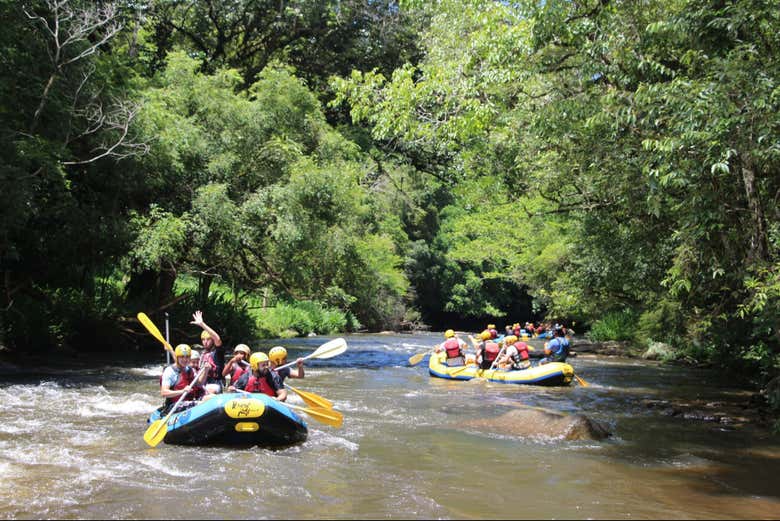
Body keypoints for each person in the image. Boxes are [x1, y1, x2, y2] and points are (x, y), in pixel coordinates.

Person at [159, 344, 207, 414]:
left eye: (187, 357)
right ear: (177, 357)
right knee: (202, 404)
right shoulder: (170, 371)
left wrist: (206, 370)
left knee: (212, 397)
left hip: (189, 401)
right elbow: (164, 392)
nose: (185, 359)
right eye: (182, 357)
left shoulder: (189, 369)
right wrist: (182, 391)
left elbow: (199, 384)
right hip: (174, 405)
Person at [191, 310, 224, 394]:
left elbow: (217, 339)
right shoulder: (202, 355)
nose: (205, 342)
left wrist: (202, 324)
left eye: (208, 339)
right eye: (203, 339)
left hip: (215, 384)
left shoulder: (217, 352)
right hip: (202, 383)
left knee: (210, 389)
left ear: (212, 340)